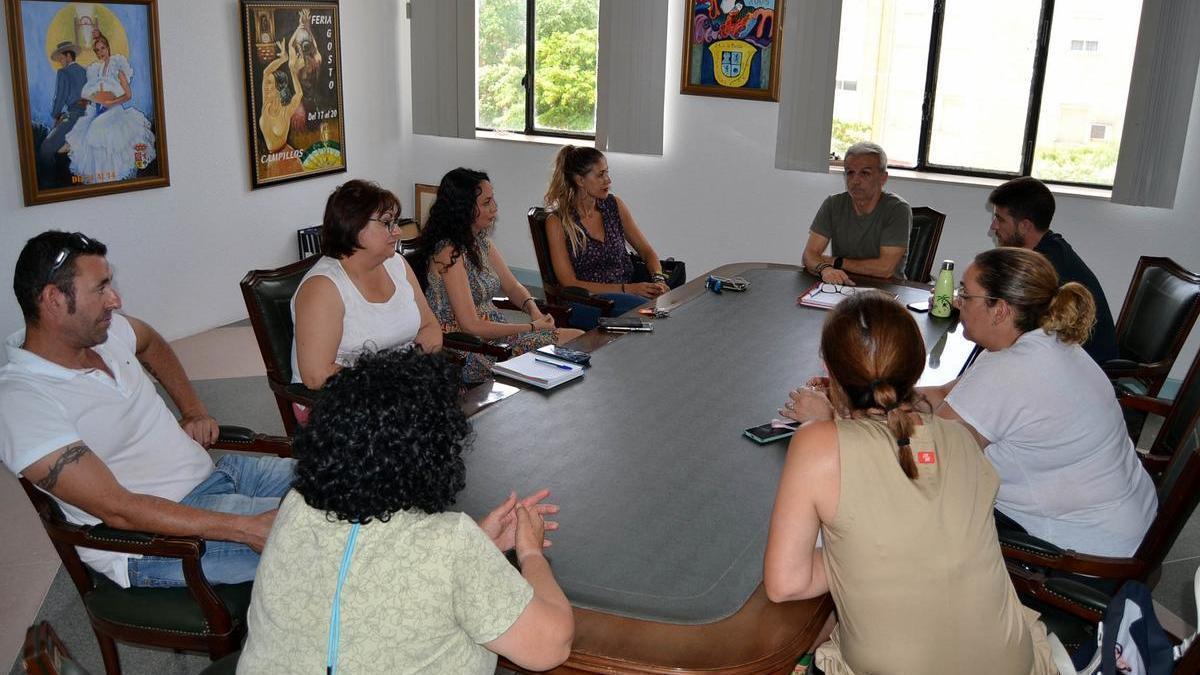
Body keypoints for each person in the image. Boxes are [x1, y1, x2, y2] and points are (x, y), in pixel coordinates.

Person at [766, 291, 1055, 674]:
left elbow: (786, 583)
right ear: (916, 370)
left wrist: (858, 551)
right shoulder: (960, 442)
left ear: (828, 369)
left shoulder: (818, 442)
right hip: (1012, 662)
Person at [239, 348, 574, 673]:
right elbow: (550, 647)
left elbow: (372, 568)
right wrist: (531, 554)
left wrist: (480, 545)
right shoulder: (450, 543)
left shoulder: (295, 506)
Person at [0, 231, 294, 588]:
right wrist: (245, 528)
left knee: (358, 480)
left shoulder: (106, 335)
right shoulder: (21, 401)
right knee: (334, 542)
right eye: (101, 288)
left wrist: (193, 409)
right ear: (53, 299)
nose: (115, 299)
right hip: (160, 541)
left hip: (220, 474)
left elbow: (150, 341)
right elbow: (117, 509)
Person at [921, 247, 1156, 557]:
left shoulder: (1008, 370)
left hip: (1084, 552)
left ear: (1000, 310)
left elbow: (930, 457)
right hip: (1128, 520)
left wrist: (863, 428)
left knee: (907, 499)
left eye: (966, 294)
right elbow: (944, 394)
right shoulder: (1045, 341)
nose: (958, 303)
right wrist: (879, 392)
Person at [416, 168, 584, 383]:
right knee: (572, 342)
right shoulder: (448, 252)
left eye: (492, 200)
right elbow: (470, 326)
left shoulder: (480, 241)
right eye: (486, 203)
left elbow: (512, 286)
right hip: (472, 348)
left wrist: (535, 312)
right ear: (463, 208)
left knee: (576, 340)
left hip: (497, 336)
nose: (494, 209)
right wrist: (532, 327)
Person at [291, 179, 441, 390]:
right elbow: (317, 376)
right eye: (387, 222)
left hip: (396, 386)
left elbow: (430, 327)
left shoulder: (397, 264)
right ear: (353, 224)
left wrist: (410, 370)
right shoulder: (323, 288)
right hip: (343, 399)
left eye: (395, 222)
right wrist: (389, 380)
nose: (397, 231)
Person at [987, 176, 1119, 364]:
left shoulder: (1048, 268)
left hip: (1084, 367)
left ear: (1024, 226)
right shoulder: (1048, 248)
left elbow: (1018, 327)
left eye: (1000, 219)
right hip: (1062, 355)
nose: (993, 226)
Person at [544, 145, 669, 329]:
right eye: (600, 175)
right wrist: (628, 290)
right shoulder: (558, 222)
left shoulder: (614, 206)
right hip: (589, 302)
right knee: (652, 313)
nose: (608, 180)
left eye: (607, 173)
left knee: (668, 303)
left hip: (628, 292)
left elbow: (646, 250)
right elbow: (568, 282)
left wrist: (659, 279)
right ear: (580, 180)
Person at [802, 142, 912, 283]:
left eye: (865, 173)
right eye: (850, 173)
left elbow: (884, 269)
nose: (855, 181)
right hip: (843, 284)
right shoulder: (833, 204)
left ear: (883, 178)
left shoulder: (897, 209)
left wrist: (837, 262)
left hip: (885, 290)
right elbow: (809, 254)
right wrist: (825, 269)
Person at [63, 32, 157, 184]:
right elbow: (96, 93)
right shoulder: (97, 71)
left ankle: (115, 176)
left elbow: (128, 95)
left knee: (99, 132)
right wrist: (94, 101)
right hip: (100, 111)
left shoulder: (117, 68)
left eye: (103, 48)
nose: (101, 52)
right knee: (89, 131)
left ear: (108, 48)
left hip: (114, 111)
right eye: (98, 50)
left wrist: (109, 103)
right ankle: (104, 179)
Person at [37, 41, 88, 172]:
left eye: (61, 58)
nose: (60, 62)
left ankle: (48, 182)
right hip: (88, 114)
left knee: (46, 148)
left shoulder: (63, 73)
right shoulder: (85, 71)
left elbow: (60, 97)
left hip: (74, 115)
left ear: (69, 56)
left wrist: (56, 114)